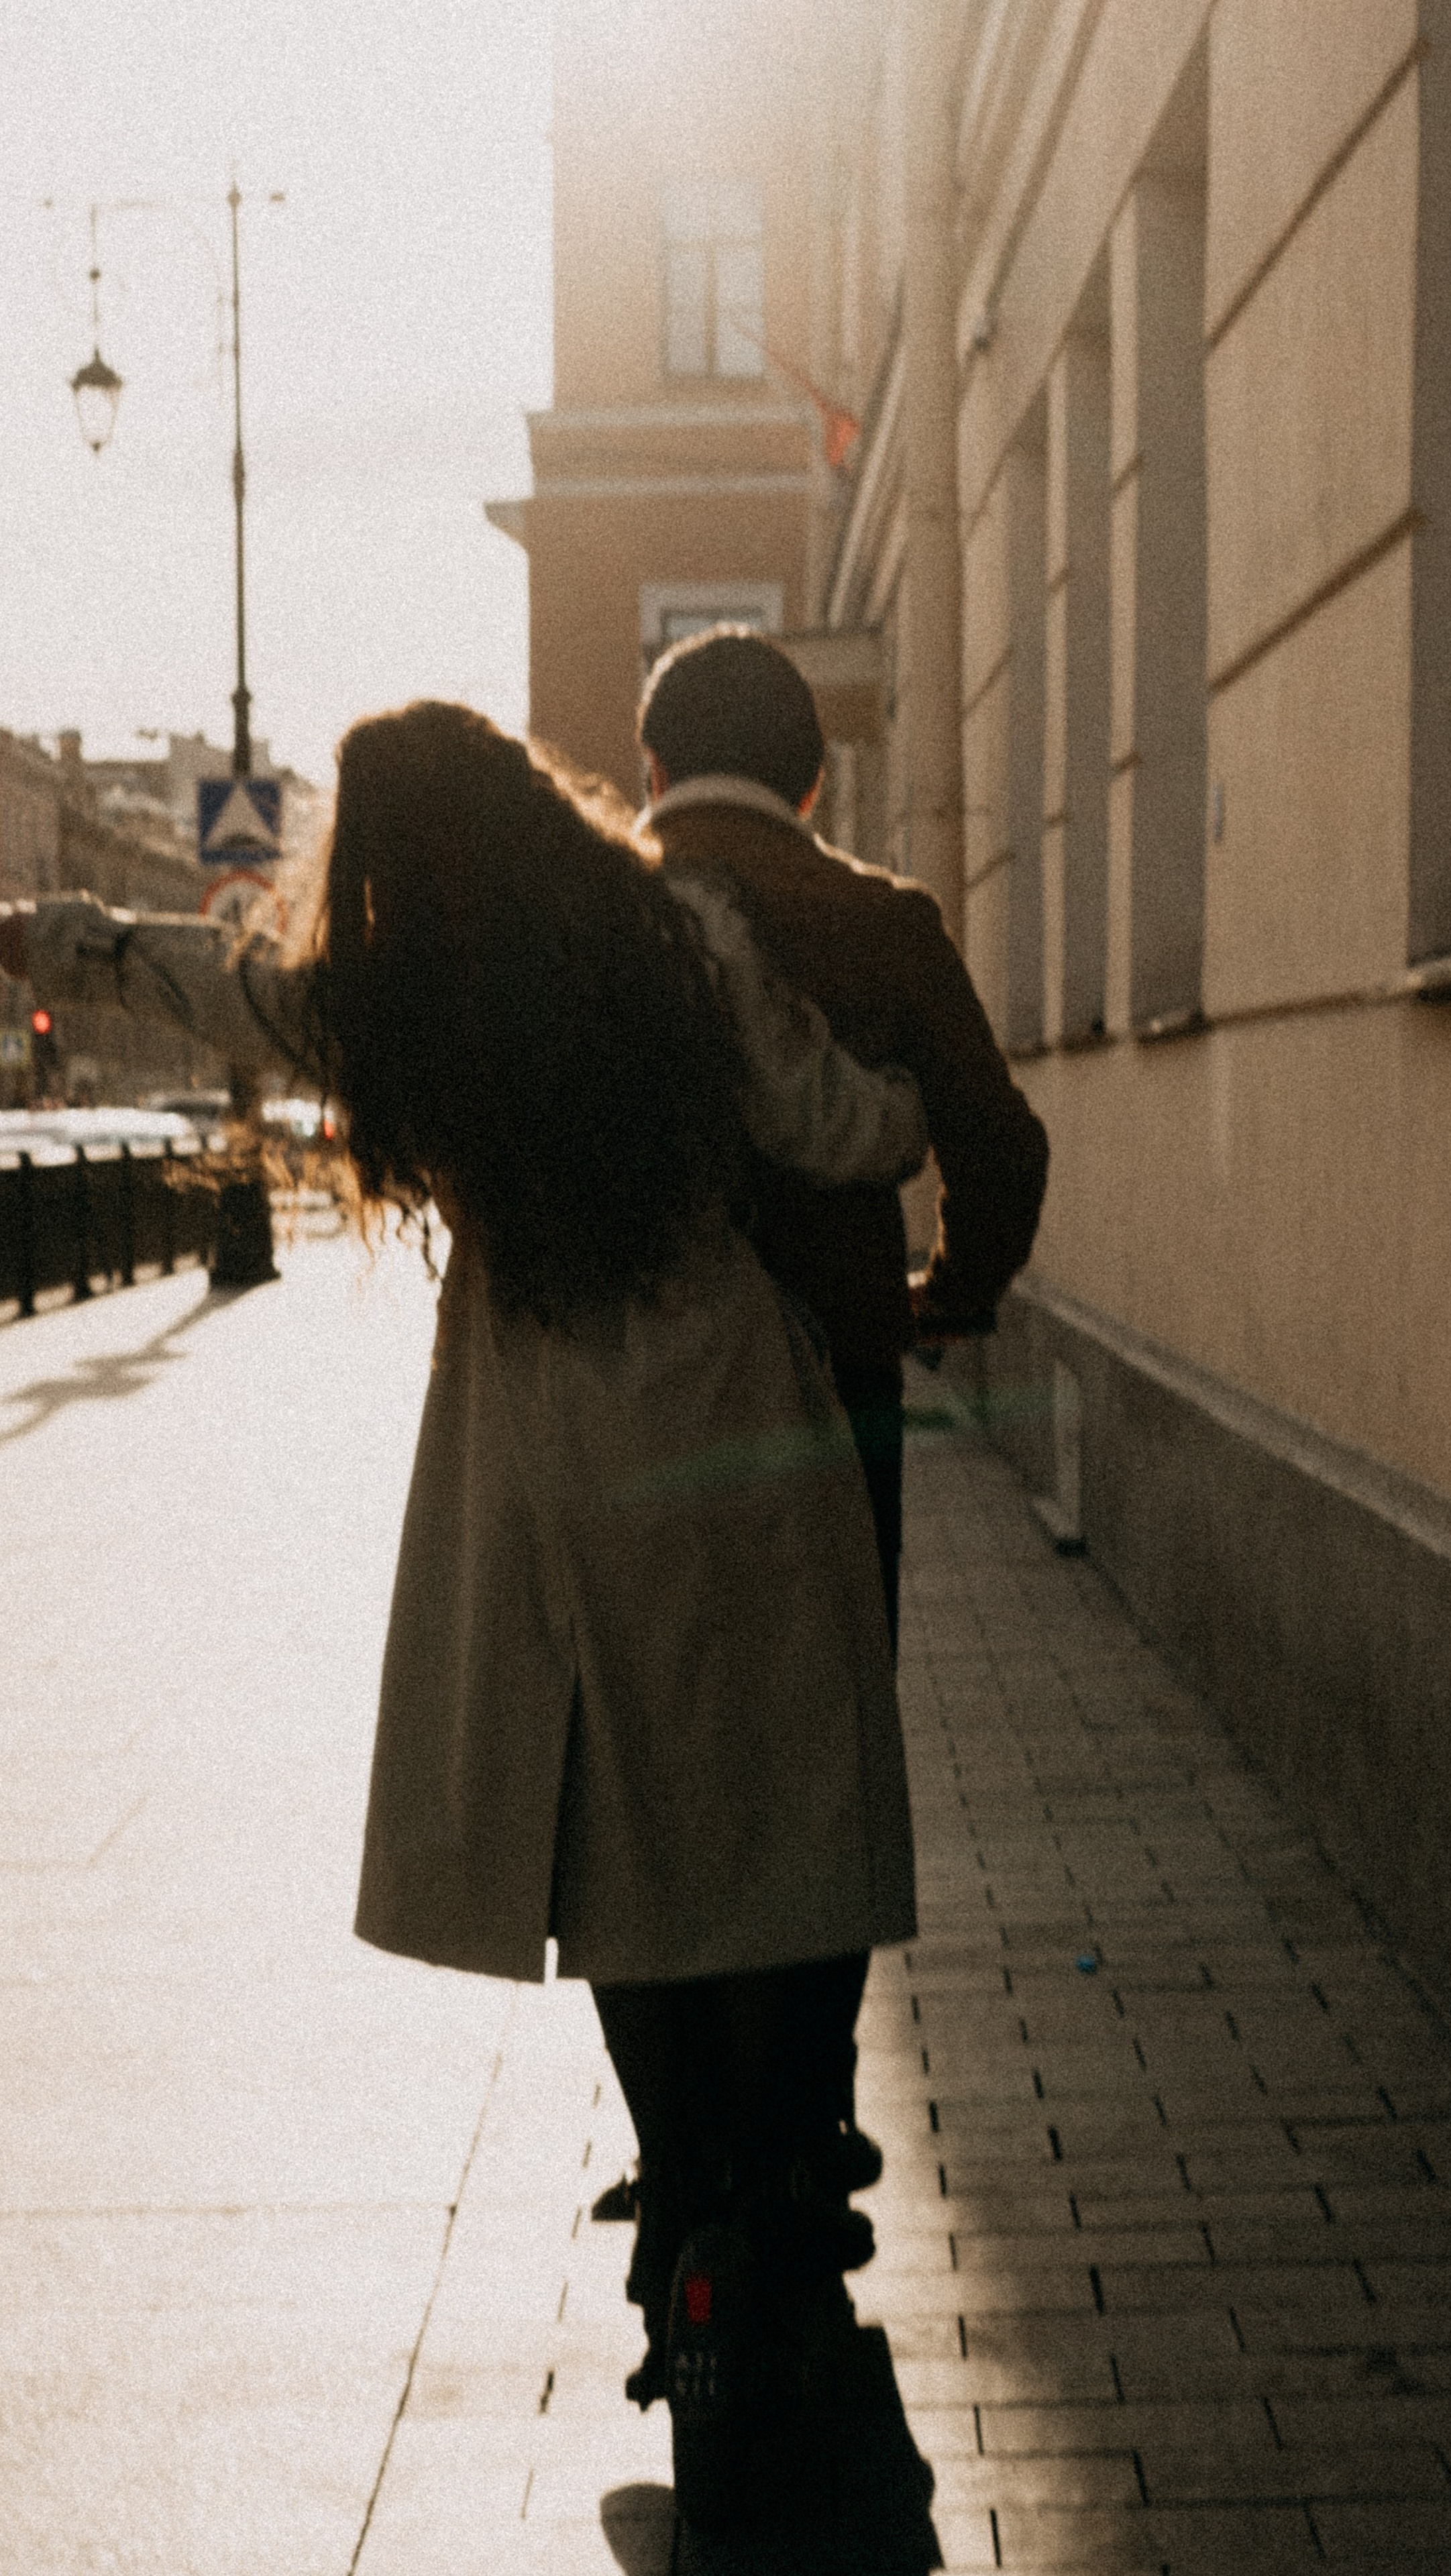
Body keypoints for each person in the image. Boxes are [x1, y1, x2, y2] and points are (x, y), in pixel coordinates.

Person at [0, 702, 931, 2517]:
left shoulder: (397, 1000)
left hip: (546, 1453)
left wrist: (60, 939)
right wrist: (917, 1092)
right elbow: (837, 1127)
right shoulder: (683, 941)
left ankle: (684, 2219)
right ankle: (768, 2190)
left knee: (620, 1856)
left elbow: (210, 983)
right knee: (769, 1819)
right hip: (734, 1423)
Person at [632, 625, 1051, 2187]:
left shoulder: (618, 920)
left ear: (657, 769)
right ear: (812, 777)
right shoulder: (882, 921)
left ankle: (676, 2143)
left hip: (641, 1420)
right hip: (838, 1403)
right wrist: (950, 1293)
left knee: (657, 1763)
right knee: (825, 1759)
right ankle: (807, 2117)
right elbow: (998, 1147)